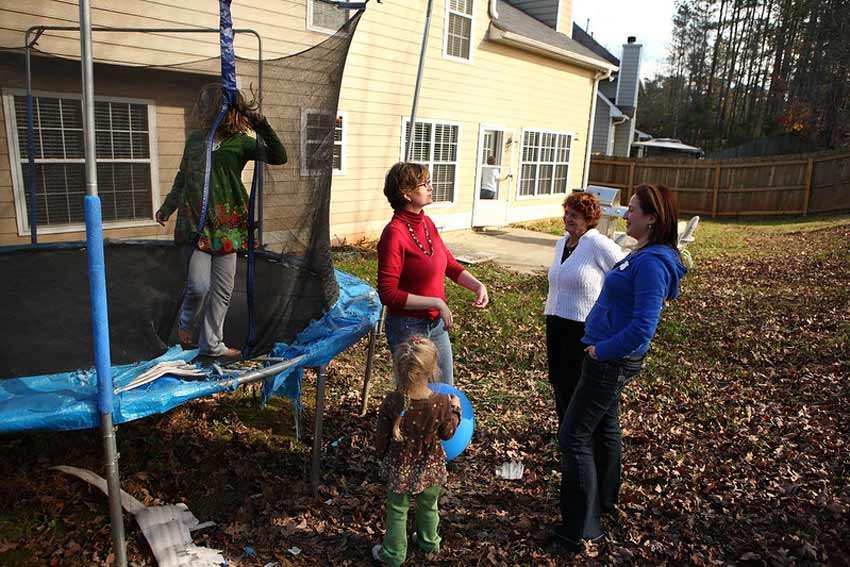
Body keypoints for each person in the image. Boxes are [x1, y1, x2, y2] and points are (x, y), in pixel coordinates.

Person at [553, 183, 687, 553]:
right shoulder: (640, 254)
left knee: (574, 436)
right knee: (605, 426)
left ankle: (581, 529)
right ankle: (603, 502)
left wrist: (600, 351)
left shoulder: (653, 264)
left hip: (610, 361)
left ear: (652, 218)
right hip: (604, 356)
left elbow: (644, 328)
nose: (625, 215)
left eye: (632, 210)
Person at [155, 83, 287, 358]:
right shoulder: (195, 140)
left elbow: (278, 156)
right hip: (196, 224)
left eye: (206, 104)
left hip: (228, 226)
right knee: (198, 286)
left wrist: (261, 124)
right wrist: (168, 207)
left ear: (222, 109)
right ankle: (185, 323)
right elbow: (183, 177)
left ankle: (213, 344)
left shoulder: (241, 143)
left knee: (223, 289)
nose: (201, 109)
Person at [377, 162, 488, 386]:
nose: (430, 187)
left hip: (436, 326)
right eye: (424, 183)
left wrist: (477, 286)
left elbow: (448, 263)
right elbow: (388, 294)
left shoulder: (427, 223)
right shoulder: (394, 234)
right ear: (406, 193)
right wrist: (437, 302)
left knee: (444, 390)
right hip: (407, 328)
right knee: (415, 398)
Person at [372, 337, 462, 566]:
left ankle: (393, 554)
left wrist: (381, 456)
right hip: (431, 467)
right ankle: (429, 543)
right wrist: (456, 410)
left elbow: (381, 436)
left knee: (397, 510)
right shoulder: (441, 402)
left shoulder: (392, 401)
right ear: (432, 369)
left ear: (398, 369)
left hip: (400, 467)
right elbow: (448, 434)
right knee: (429, 506)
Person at [545, 192, 624, 426]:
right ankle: (564, 432)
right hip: (556, 321)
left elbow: (623, 273)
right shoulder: (562, 243)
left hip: (583, 327)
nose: (568, 219)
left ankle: (580, 434)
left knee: (577, 383)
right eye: (567, 213)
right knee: (558, 380)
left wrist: (611, 308)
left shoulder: (598, 244)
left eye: (575, 215)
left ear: (589, 219)